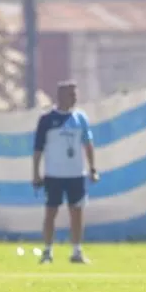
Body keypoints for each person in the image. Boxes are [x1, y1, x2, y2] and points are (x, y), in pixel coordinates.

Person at [32, 81, 99, 264]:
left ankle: (76, 251)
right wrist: (36, 173)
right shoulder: (47, 119)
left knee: (77, 213)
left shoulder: (81, 118)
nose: (75, 98)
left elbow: (88, 144)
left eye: (75, 94)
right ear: (60, 96)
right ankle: (47, 251)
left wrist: (92, 168)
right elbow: (38, 149)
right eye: (72, 94)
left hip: (76, 174)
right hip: (54, 174)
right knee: (51, 212)